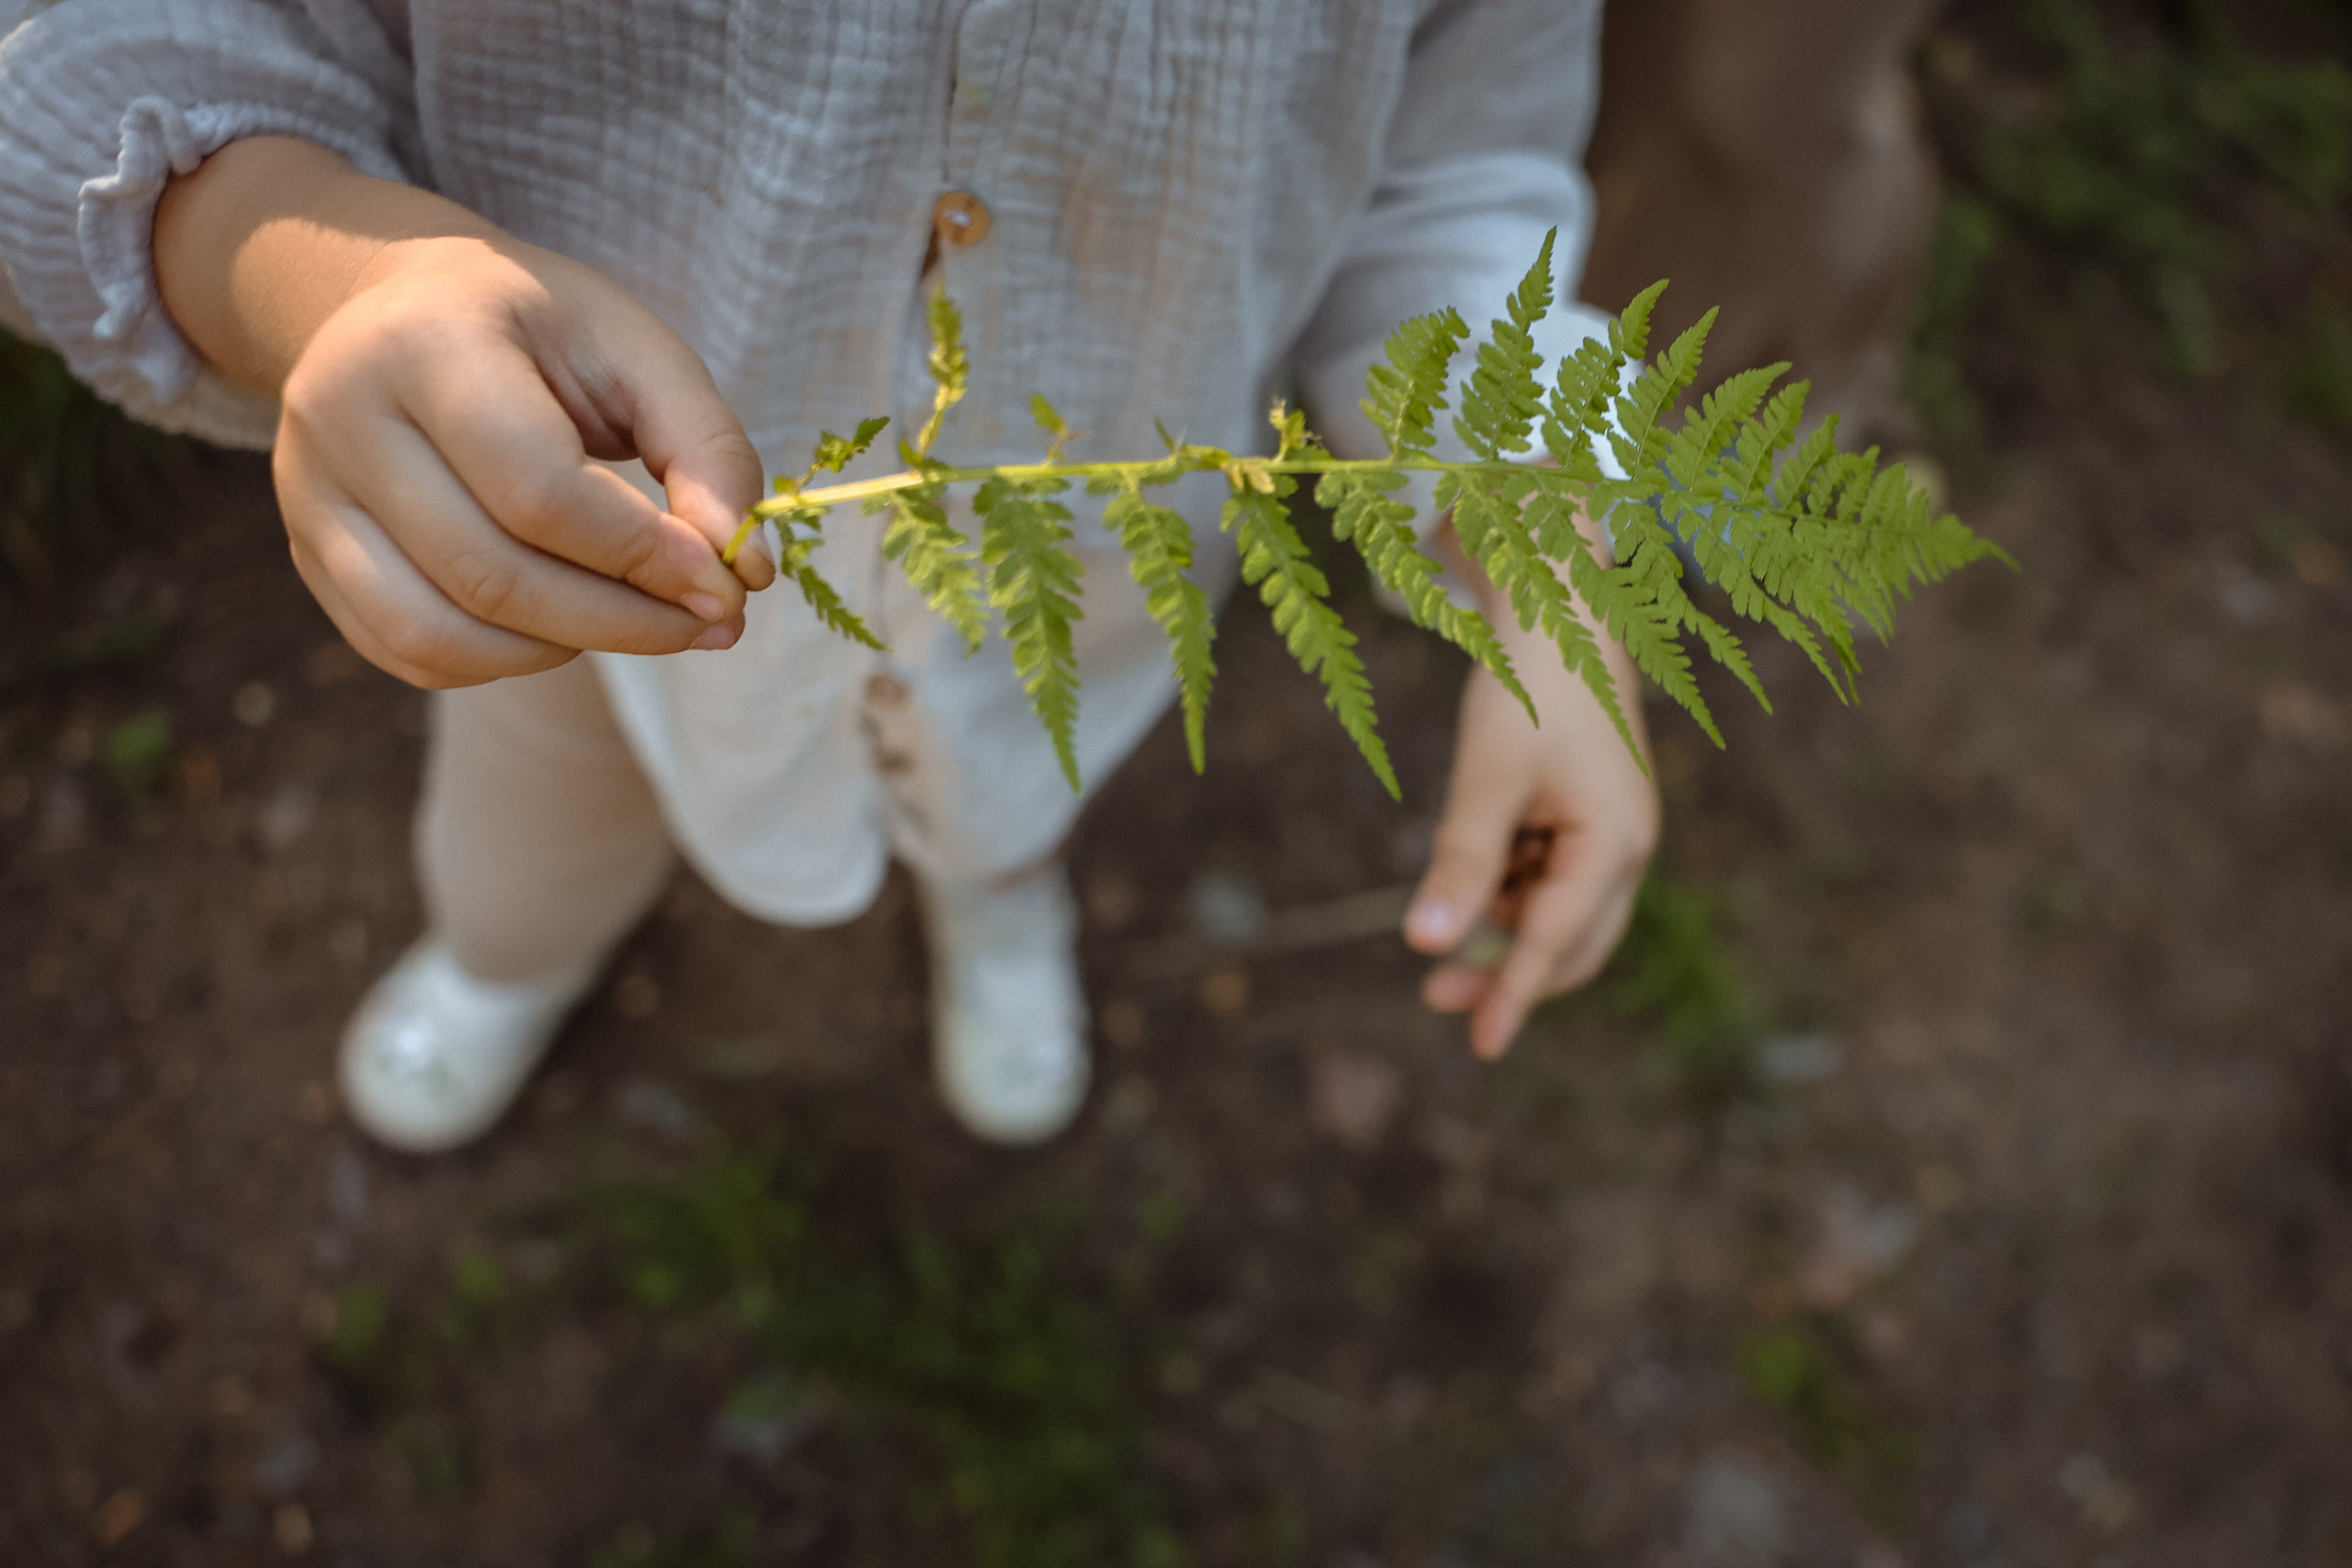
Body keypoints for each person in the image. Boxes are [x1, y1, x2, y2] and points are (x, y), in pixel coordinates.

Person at [0, 0, 1658, 1152]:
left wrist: (1551, 556)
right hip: (578, 570)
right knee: (527, 836)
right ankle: (510, 959)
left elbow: (1448, 181)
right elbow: (98, 42)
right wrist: (326, 281)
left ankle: (996, 902)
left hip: (1064, 593)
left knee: (1013, 779)